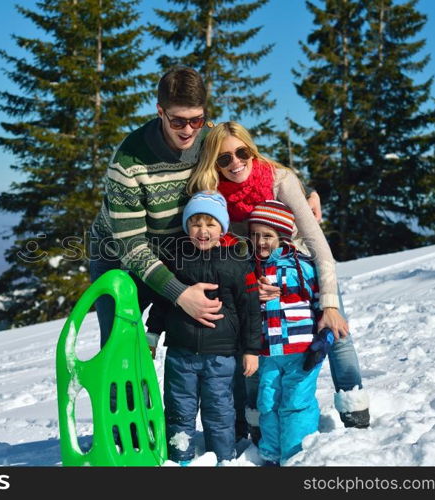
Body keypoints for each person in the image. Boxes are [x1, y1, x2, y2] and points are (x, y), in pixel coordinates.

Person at [187, 121, 370, 434]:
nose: (236, 162)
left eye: (241, 152)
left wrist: (328, 303)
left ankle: (355, 412)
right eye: (224, 158)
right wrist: (249, 286)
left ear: (251, 150)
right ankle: (256, 423)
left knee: (336, 332)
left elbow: (319, 246)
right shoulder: (214, 196)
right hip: (260, 279)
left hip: (304, 268)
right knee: (254, 345)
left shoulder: (278, 179)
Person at [89, 66, 224, 348]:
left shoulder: (209, 136)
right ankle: (124, 393)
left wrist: (304, 191)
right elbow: (131, 247)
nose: (188, 130)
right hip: (119, 258)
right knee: (122, 349)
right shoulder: (128, 160)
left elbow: (248, 166)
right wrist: (180, 294)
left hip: (180, 250)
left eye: (196, 120)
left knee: (201, 342)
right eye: (177, 121)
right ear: (160, 111)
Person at [145, 191, 261, 465]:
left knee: (220, 410)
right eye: (196, 223)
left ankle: (223, 457)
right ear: (187, 227)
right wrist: (152, 333)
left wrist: (251, 350)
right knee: (179, 408)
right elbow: (163, 301)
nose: (203, 230)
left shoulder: (235, 263)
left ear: (222, 228)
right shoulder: (176, 260)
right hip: (180, 353)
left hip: (221, 355)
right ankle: (180, 457)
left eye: (211, 224)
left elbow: (250, 310)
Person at [247, 200, 334, 465]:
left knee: (295, 402)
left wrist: (323, 342)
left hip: (301, 351)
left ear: (282, 236)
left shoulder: (302, 266)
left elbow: (322, 305)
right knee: (268, 402)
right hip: (269, 352)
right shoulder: (251, 269)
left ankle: (296, 455)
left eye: (267, 236)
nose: (260, 241)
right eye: (254, 235)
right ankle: (271, 454)